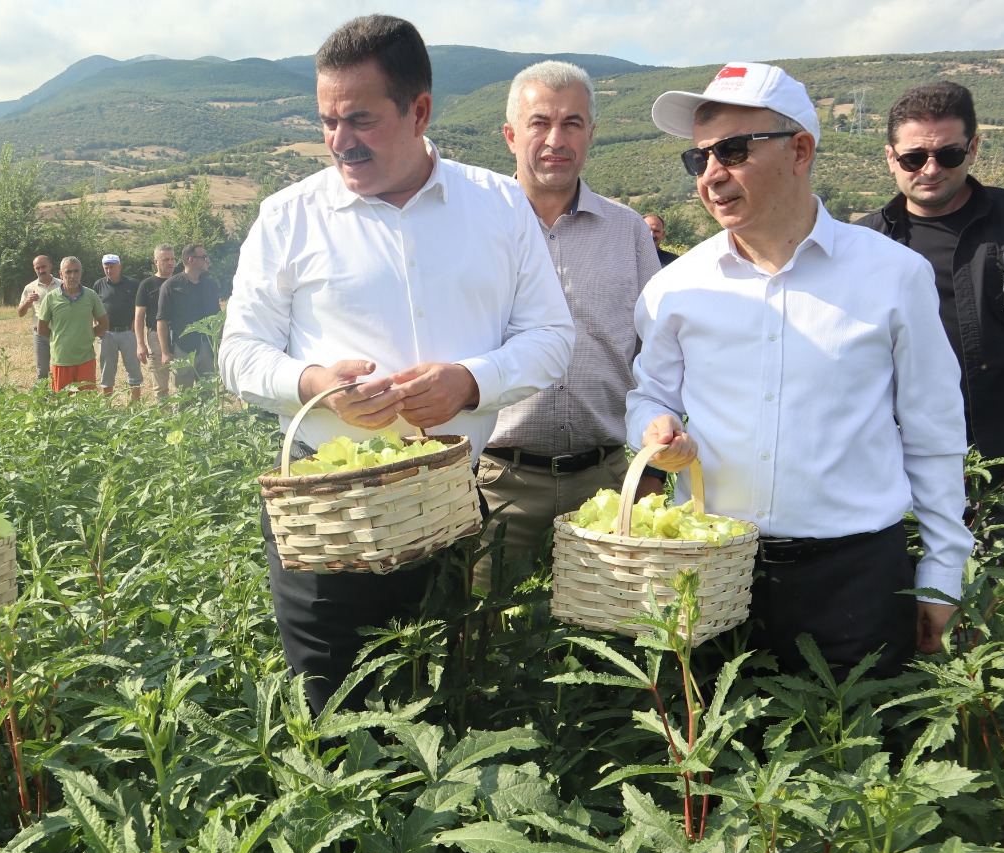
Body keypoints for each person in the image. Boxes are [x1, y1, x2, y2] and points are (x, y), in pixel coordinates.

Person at [220, 15, 574, 714]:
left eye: (360, 119)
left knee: (442, 696)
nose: (339, 142)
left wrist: (469, 383)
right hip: (326, 516)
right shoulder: (288, 216)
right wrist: (316, 387)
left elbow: (551, 336)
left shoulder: (498, 205)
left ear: (419, 111)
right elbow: (238, 354)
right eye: (327, 121)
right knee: (330, 703)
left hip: (447, 502)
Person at [630, 63, 972, 677]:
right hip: (710, 573)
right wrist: (653, 427)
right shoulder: (673, 288)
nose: (711, 174)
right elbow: (647, 392)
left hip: (856, 580)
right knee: (713, 764)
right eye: (698, 158)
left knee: (860, 762)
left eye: (733, 150)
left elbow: (934, 429)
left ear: (801, 150)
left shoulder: (894, 277)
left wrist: (943, 573)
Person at [856, 82, 1004, 570]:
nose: (930, 169)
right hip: (896, 478)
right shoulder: (861, 245)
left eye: (948, 154)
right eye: (913, 158)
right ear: (889, 157)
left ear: (973, 147)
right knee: (909, 627)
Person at [478, 60, 663, 586]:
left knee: (604, 642)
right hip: (498, 484)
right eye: (540, 123)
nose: (556, 139)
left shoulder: (627, 232)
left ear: (592, 135)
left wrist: (647, 468)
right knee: (489, 646)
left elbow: (654, 355)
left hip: (605, 484)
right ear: (512, 134)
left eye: (573, 123)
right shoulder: (476, 230)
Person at [36, 255, 108, 392]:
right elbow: (42, 329)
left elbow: (104, 324)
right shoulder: (50, 298)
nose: (73, 275)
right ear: (61, 274)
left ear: (81, 273)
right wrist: (60, 339)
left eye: (76, 271)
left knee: (87, 402)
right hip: (61, 359)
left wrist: (87, 336)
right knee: (62, 405)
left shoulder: (91, 296)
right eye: (68, 272)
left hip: (85, 359)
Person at [157, 243, 222, 389]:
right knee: (183, 398)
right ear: (191, 260)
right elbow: (161, 320)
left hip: (208, 347)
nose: (207, 260)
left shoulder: (210, 285)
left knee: (208, 397)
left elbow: (218, 318)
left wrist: (220, 344)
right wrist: (165, 352)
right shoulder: (170, 286)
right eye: (204, 257)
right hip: (183, 349)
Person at [93, 253, 142, 401]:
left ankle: (135, 406)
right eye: (106, 268)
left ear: (119, 266)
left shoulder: (133, 284)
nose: (109, 270)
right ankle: (107, 408)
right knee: (107, 372)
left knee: (134, 371)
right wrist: (95, 323)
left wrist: (136, 320)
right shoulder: (98, 285)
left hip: (128, 332)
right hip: (107, 334)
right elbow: (93, 307)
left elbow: (140, 306)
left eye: (112, 267)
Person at [134, 244, 176, 400]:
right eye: (165, 259)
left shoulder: (180, 281)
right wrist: (140, 344)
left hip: (180, 337)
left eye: (172, 259)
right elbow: (139, 317)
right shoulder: (147, 285)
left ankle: (183, 420)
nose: (170, 263)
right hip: (156, 338)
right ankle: (165, 422)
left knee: (183, 384)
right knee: (161, 387)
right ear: (155, 262)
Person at [17, 255, 57, 383]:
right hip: (40, 335)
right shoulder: (30, 288)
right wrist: (27, 302)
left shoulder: (61, 285)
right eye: (37, 268)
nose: (41, 270)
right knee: (42, 372)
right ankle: (43, 401)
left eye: (43, 267)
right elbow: (20, 313)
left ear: (50, 266)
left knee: (61, 368)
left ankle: (61, 398)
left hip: (60, 332)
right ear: (34, 269)